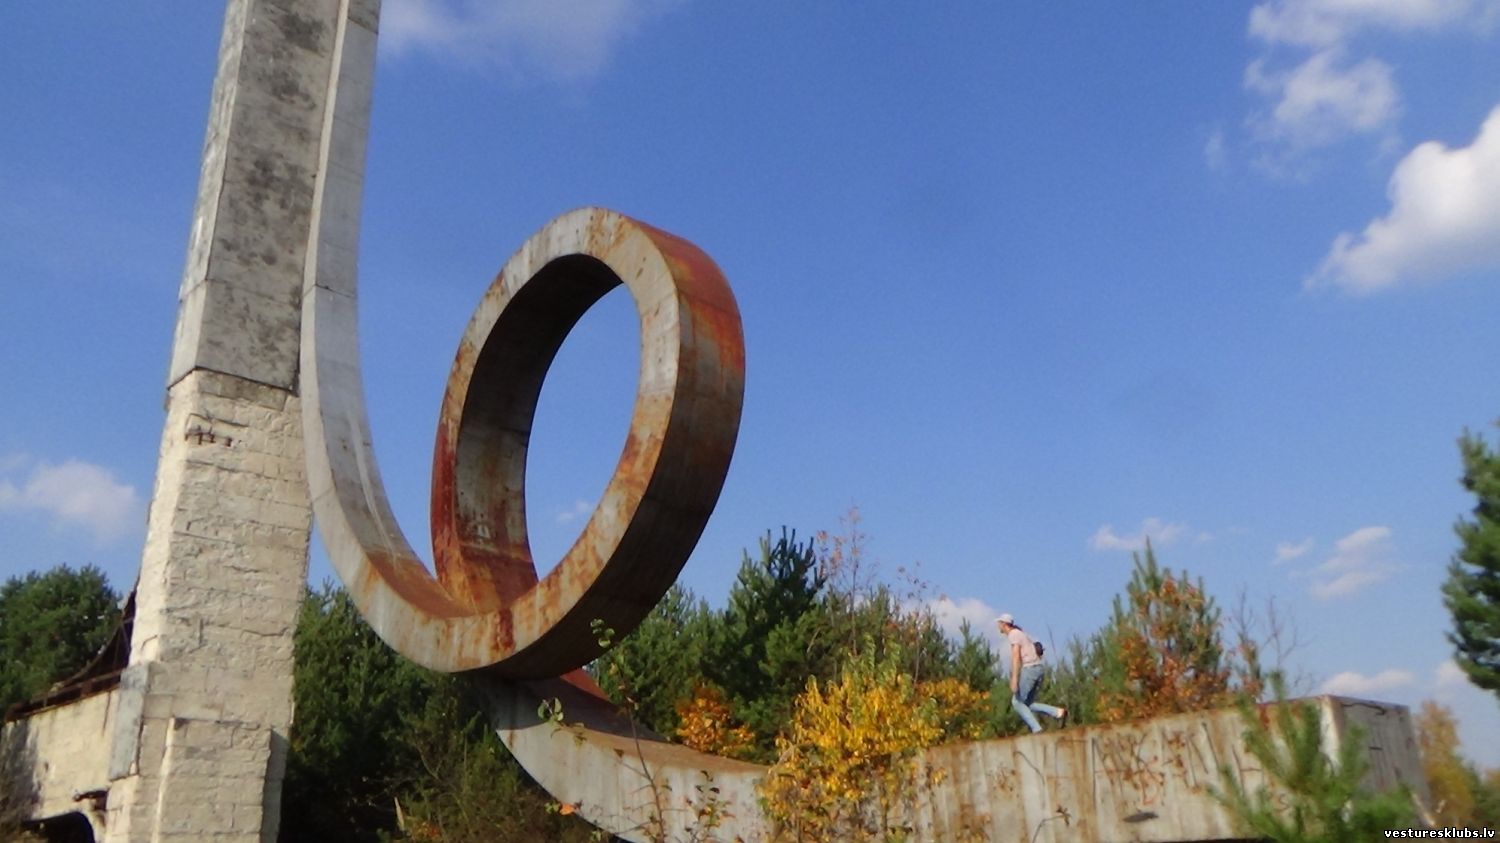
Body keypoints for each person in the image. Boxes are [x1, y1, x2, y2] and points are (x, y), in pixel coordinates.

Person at [996, 612, 1066, 733]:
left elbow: (1016, 656)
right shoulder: (1020, 633)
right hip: (1038, 668)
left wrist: (1014, 679)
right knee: (1027, 703)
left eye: (999, 623)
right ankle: (1058, 712)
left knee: (1016, 702)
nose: (998, 626)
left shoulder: (1013, 634)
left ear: (1004, 624)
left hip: (1030, 669)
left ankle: (1037, 729)